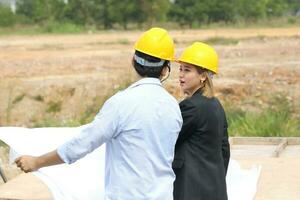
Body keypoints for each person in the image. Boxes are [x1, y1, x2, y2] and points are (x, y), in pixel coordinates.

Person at [15, 27, 183, 200]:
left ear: (133, 60)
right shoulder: (173, 107)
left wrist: (36, 162)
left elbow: (81, 145)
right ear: (165, 69)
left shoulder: (121, 104)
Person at [172, 42, 230, 200]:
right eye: (181, 69)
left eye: (187, 70)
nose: (181, 75)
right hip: (214, 188)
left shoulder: (191, 107)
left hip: (192, 190)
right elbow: (224, 150)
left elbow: (169, 140)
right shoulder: (215, 105)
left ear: (203, 76)